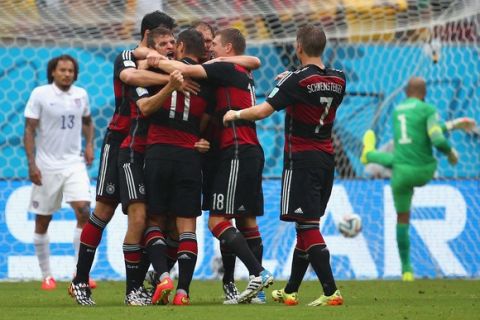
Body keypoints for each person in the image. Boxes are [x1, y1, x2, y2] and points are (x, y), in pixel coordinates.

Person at [223, 24, 346, 307]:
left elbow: (264, 110)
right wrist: (289, 82)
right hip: (327, 158)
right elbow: (313, 89)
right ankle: (290, 291)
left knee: (307, 227)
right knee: (306, 226)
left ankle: (331, 291)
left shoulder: (295, 80)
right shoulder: (340, 79)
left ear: (298, 47)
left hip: (301, 160)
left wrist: (235, 113)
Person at [150, 28, 272, 304]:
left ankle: (258, 274)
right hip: (246, 149)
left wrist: (158, 60)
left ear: (228, 48)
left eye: (215, 44)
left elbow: (186, 71)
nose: (210, 49)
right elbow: (253, 61)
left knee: (218, 220)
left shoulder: (224, 69)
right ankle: (257, 288)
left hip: (237, 150)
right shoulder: (239, 70)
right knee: (245, 218)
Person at [69, 10, 180, 306]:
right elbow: (129, 76)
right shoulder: (128, 56)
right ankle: (82, 280)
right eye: (164, 38)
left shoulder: (163, 62)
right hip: (122, 141)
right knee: (105, 211)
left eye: (172, 39)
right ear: (148, 35)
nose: (170, 45)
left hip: (149, 149)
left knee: (144, 216)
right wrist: (170, 73)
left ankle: (137, 287)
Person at [360, 77, 475, 281]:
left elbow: (420, 130)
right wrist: (451, 153)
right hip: (423, 171)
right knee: (407, 160)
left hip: (400, 174)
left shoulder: (397, 111)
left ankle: (406, 270)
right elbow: (437, 138)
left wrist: (453, 124)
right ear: (424, 93)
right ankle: (371, 155)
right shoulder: (427, 109)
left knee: (402, 218)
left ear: (405, 93)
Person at [137, 29, 214, 305]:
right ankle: (183, 292)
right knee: (187, 228)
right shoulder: (208, 80)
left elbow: (143, 104)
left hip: (158, 152)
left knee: (154, 221)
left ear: (180, 47)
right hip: (189, 156)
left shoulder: (159, 74)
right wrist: (197, 139)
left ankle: (161, 275)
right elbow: (207, 120)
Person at [24, 54, 94, 291]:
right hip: (47, 166)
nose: (67, 74)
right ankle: (47, 275)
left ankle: (80, 272)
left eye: (71, 71)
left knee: (84, 211)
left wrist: (90, 144)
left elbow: (87, 121)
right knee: (43, 220)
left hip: (74, 164)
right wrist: (32, 164)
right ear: (53, 72)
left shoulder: (80, 94)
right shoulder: (40, 94)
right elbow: (29, 130)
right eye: (63, 70)